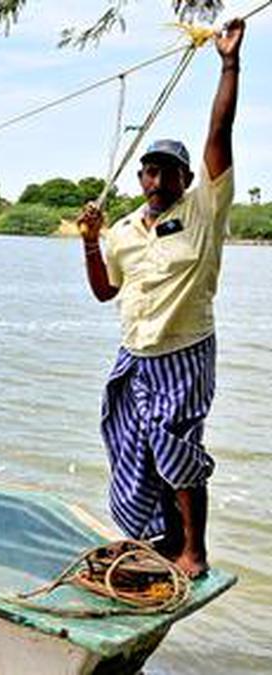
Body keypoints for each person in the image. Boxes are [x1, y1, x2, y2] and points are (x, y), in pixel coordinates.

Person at [76, 19, 245, 578]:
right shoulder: (124, 230)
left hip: (186, 349)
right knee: (131, 446)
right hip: (136, 354)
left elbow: (219, 133)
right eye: (149, 170)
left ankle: (193, 549)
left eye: (167, 170)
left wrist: (228, 64)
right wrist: (90, 244)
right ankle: (154, 539)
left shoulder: (202, 211)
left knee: (177, 446)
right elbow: (105, 293)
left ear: (184, 176)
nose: (155, 179)